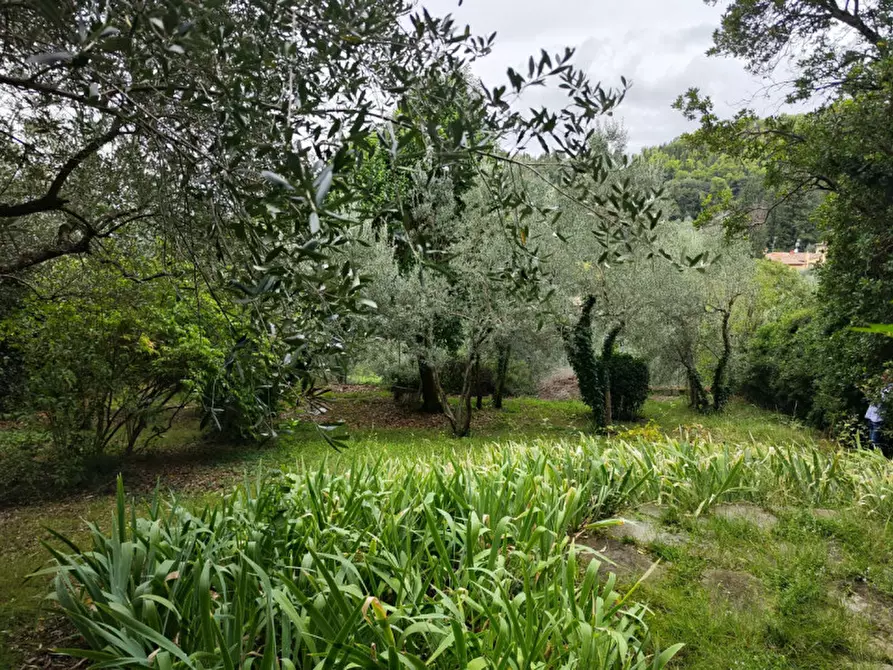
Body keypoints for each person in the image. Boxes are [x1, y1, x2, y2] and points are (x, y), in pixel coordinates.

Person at [865, 370, 892, 455]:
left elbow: (885, 400)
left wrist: (876, 396)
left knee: (875, 442)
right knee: (871, 440)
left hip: (878, 418)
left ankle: (877, 460)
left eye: (884, 376)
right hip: (873, 417)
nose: (882, 378)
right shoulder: (883, 386)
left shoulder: (890, 388)